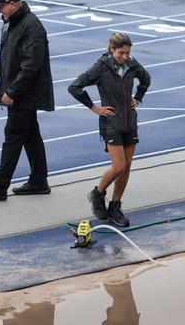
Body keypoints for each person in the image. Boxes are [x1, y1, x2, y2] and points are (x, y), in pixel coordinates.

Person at [0, 0, 54, 201]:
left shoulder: (31, 26)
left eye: (1, 7)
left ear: (14, 4)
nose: (0, 11)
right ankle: (39, 180)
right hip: (22, 92)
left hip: (24, 94)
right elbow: (12, 56)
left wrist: (12, 91)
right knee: (30, 135)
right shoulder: (14, 23)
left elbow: (30, 65)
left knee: (13, 137)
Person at [68, 32, 151, 227]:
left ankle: (115, 206)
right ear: (111, 49)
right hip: (111, 123)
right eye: (121, 53)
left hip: (130, 122)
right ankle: (97, 193)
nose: (125, 56)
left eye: (128, 53)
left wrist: (138, 97)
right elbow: (75, 87)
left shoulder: (131, 64)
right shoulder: (101, 67)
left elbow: (146, 79)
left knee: (127, 167)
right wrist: (94, 107)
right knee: (119, 166)